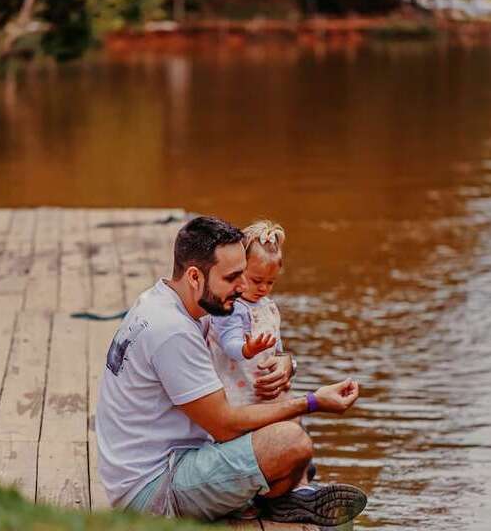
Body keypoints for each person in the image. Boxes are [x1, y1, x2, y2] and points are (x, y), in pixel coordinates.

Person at [96, 216, 366, 525]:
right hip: (153, 491)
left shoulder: (170, 302)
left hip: (159, 465)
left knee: (285, 441)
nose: (241, 287)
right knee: (292, 443)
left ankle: (274, 489)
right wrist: (313, 402)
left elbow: (246, 355)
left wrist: (287, 362)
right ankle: (274, 496)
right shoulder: (172, 332)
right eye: (232, 277)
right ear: (195, 276)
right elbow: (225, 426)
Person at [208, 220, 290, 407]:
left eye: (270, 282)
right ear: (239, 269)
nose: (263, 288)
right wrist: (247, 349)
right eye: (257, 280)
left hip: (263, 390)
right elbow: (229, 344)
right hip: (236, 393)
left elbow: (277, 346)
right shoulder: (231, 306)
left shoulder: (268, 306)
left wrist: (282, 364)